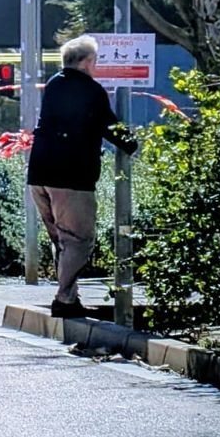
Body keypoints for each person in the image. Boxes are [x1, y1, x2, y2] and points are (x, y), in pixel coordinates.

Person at [27, 34, 138, 318]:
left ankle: (70, 297)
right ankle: (64, 300)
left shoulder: (53, 85)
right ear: (88, 62)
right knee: (79, 240)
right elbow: (110, 127)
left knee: (62, 241)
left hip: (39, 174)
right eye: (96, 60)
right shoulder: (90, 91)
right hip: (70, 177)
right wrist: (133, 144)